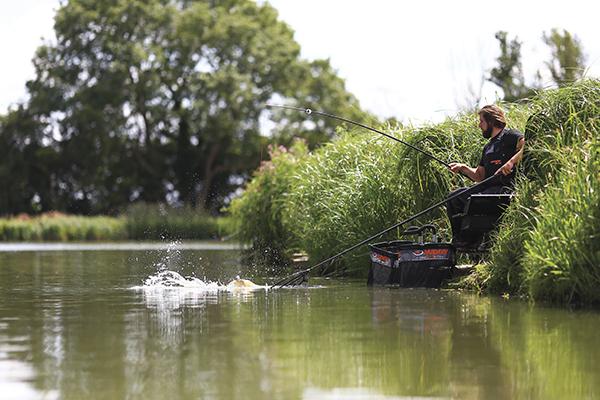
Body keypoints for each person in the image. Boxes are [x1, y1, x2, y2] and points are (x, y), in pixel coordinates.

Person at [446, 105, 525, 247]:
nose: (479, 125)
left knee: (473, 200)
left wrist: (511, 163)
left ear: (491, 121)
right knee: (454, 198)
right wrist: (463, 168)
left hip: (504, 189)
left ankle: (471, 239)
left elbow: (529, 145)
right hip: (487, 189)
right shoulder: (487, 147)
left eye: (481, 121)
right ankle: (462, 241)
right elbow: (479, 176)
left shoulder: (510, 136)